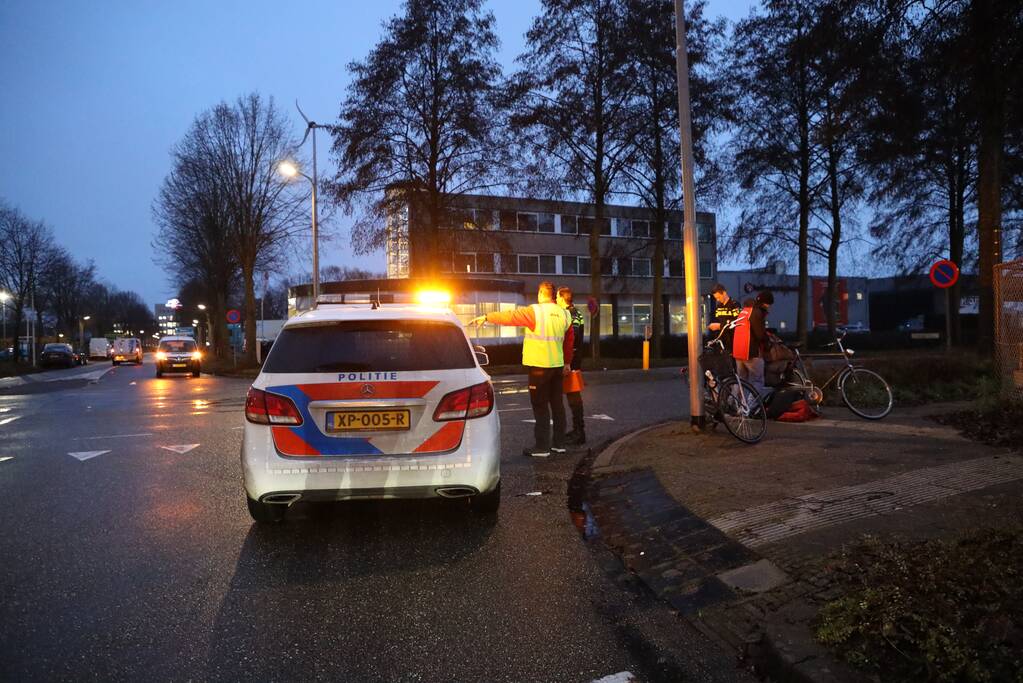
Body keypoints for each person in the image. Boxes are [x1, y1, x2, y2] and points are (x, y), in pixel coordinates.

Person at [472, 282, 574, 457]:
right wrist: (567, 363)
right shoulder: (565, 314)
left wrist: (487, 317)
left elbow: (511, 317)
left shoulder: (535, 311)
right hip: (557, 367)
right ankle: (559, 444)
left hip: (539, 367)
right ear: (552, 295)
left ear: (541, 293)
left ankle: (542, 447)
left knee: (540, 406)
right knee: (557, 405)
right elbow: (569, 340)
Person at [557, 286, 586, 446]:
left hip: (571, 362)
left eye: (557, 296)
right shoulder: (577, 313)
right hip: (574, 361)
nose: (555, 299)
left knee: (574, 398)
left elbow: (572, 339)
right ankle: (577, 431)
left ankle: (579, 432)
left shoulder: (570, 314)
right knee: (572, 397)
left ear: (562, 298)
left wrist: (567, 361)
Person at [731, 290, 773, 396]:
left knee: (741, 381)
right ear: (766, 303)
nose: (770, 308)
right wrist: (768, 343)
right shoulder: (756, 312)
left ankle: (732, 404)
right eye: (770, 305)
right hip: (750, 352)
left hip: (738, 351)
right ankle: (751, 406)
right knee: (757, 381)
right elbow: (760, 334)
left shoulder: (745, 310)